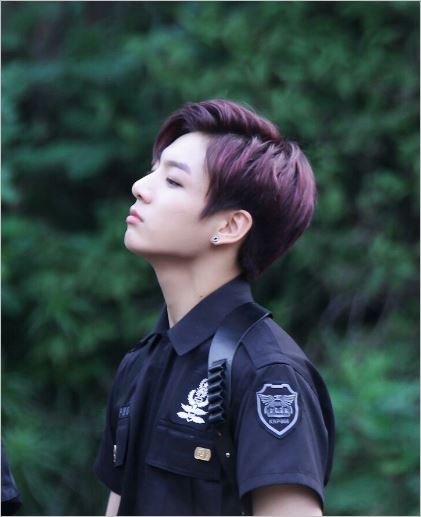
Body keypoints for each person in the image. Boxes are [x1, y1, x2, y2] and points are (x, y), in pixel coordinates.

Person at [94, 99, 335, 516]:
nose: (140, 187)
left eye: (173, 181)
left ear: (229, 226)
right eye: (153, 170)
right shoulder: (140, 362)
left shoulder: (268, 373)